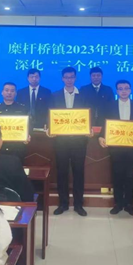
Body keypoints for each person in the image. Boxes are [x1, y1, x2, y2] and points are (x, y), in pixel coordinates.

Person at [99, 80, 133, 215]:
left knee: (130, 176)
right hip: (115, 145)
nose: (123, 91)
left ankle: (129, 204)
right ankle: (117, 203)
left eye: (126, 88)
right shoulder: (109, 105)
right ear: (117, 91)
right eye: (120, 89)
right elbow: (103, 123)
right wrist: (100, 136)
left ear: (130, 90)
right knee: (117, 174)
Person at [49, 67, 89, 217]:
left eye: (72, 77)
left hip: (79, 141)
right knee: (62, 172)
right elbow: (50, 114)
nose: (69, 80)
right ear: (62, 79)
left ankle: (78, 204)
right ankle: (63, 204)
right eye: (66, 77)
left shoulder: (83, 95)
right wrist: (50, 127)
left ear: (75, 78)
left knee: (79, 172)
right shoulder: (55, 95)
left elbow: (89, 115)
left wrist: (90, 127)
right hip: (61, 141)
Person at [0, 82, 30, 163]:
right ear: (2, 92)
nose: (9, 93)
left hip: (17, 147)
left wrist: (27, 135)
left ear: (16, 93)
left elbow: (29, 124)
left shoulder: (23, 109)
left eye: (12, 91)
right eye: (7, 90)